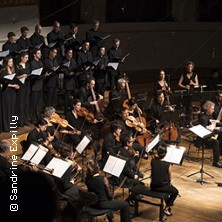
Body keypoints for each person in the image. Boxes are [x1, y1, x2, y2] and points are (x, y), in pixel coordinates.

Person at [150, 142, 179, 216]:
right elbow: (169, 178)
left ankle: (168, 203)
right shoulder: (167, 164)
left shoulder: (152, 161)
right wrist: (169, 183)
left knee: (169, 188)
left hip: (153, 186)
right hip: (162, 187)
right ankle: (166, 208)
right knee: (175, 191)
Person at [199, 100, 222, 168]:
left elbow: (215, 123)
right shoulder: (203, 118)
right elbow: (204, 132)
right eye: (212, 109)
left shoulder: (210, 116)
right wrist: (215, 131)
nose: (213, 110)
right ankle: (216, 161)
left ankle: (219, 155)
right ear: (208, 109)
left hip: (209, 135)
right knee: (216, 142)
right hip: (204, 138)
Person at [0, 56, 20, 132]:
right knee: (6, 109)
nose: (11, 63)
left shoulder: (13, 70)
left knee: (12, 109)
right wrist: (13, 85)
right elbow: (2, 83)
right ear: (6, 63)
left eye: (12, 61)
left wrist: (17, 85)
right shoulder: (3, 71)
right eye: (10, 62)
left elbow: (15, 80)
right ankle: (6, 127)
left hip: (13, 92)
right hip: (6, 92)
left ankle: (13, 126)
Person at [178, 61, 199, 127]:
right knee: (184, 108)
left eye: (191, 66)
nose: (189, 68)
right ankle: (184, 123)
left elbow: (197, 84)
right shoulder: (183, 74)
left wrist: (193, 83)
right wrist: (185, 86)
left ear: (192, 67)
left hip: (191, 92)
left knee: (190, 108)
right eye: (188, 66)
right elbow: (179, 84)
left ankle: (189, 122)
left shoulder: (195, 74)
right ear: (186, 67)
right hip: (185, 92)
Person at [29, 48, 45, 123]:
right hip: (35, 85)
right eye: (38, 53)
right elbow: (33, 75)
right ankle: (32, 117)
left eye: (40, 53)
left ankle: (37, 115)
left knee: (39, 102)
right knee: (33, 103)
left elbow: (42, 73)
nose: (40, 54)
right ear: (34, 55)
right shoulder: (32, 63)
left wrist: (45, 75)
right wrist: (42, 75)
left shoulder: (41, 63)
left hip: (40, 84)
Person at [15, 51, 30, 127]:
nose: (27, 59)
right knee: (20, 104)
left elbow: (30, 73)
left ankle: (25, 120)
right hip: (20, 86)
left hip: (27, 85)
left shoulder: (28, 65)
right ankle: (19, 121)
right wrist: (21, 76)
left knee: (26, 103)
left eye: (27, 57)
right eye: (26, 57)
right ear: (22, 58)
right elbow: (15, 77)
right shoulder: (17, 66)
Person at [62, 48, 79, 115]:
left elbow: (76, 68)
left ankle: (72, 111)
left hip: (74, 81)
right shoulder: (64, 61)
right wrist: (70, 73)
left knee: (73, 98)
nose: (70, 54)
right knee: (67, 98)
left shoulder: (73, 60)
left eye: (71, 53)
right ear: (66, 53)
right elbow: (65, 71)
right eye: (69, 53)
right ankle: (66, 112)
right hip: (68, 82)